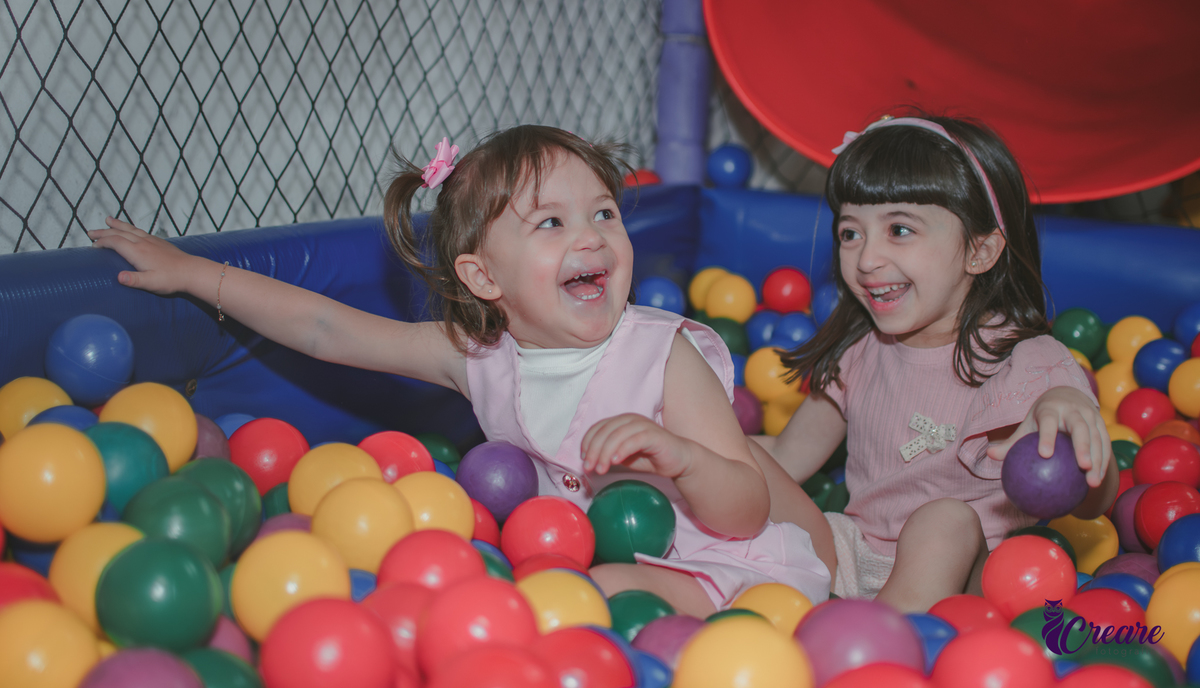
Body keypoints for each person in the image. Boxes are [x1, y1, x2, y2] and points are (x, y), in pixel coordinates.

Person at [89, 124, 831, 615]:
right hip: (569, 546)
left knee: (587, 597)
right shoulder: (477, 357)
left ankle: (838, 554)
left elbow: (741, 510)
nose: (593, 238)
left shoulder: (660, 354)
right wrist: (196, 274)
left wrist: (683, 456)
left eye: (604, 214)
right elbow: (325, 328)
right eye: (552, 222)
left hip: (722, 560)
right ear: (483, 278)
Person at [755, 113, 1118, 612]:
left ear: (980, 249)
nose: (865, 259)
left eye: (899, 229)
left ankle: (880, 641)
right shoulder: (859, 352)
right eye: (850, 234)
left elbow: (1095, 501)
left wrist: (1069, 412)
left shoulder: (1027, 361)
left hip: (973, 577)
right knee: (743, 471)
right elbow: (783, 455)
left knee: (942, 520)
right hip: (855, 553)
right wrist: (682, 450)